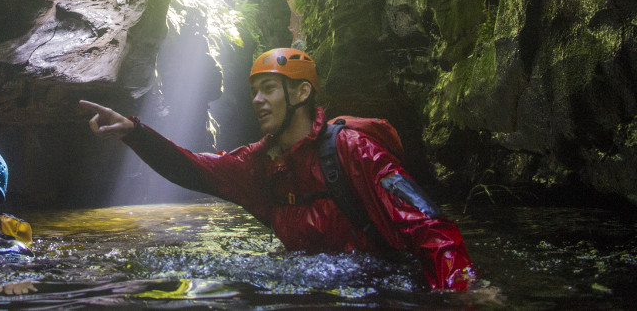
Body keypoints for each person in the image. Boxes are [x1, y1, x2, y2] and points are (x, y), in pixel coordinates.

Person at [80, 47, 476, 291]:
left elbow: (429, 226)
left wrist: (463, 291)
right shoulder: (259, 163)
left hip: (380, 288)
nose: (257, 100)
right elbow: (193, 170)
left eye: (269, 88)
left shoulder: (354, 150)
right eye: (254, 91)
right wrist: (135, 132)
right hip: (315, 287)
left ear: (301, 92)